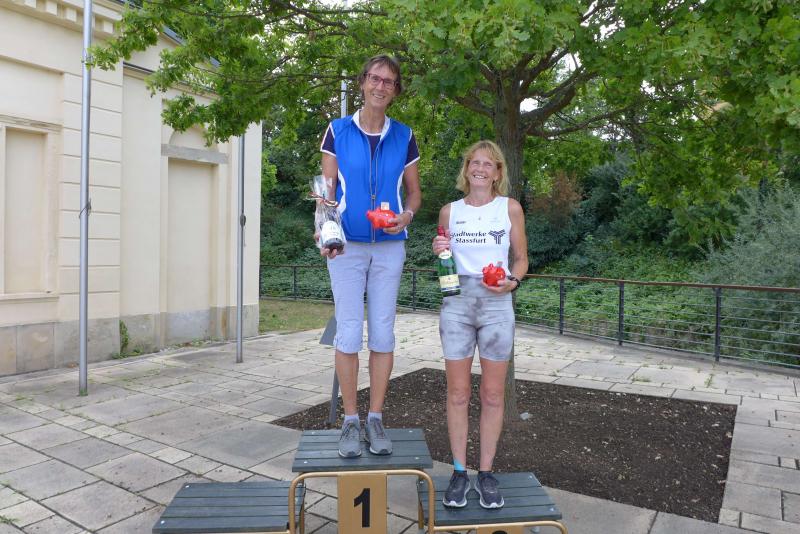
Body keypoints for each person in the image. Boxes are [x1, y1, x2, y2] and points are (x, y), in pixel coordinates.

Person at [319, 55, 422, 458]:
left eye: (389, 82)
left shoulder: (405, 135)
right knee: (347, 332)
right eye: (375, 79)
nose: (381, 86)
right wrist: (324, 229)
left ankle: (375, 418)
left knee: (382, 332)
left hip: (390, 248)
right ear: (363, 82)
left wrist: (406, 216)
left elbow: (414, 193)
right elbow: (326, 192)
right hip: (346, 246)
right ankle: (350, 421)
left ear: (395, 91)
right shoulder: (337, 131)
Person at [431, 140, 528, 509]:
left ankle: (486, 472)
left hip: (496, 304)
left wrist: (512, 281)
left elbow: (521, 259)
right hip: (457, 303)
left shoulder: (510, 208)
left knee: (492, 395)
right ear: (466, 168)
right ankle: (459, 472)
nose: (481, 169)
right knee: (458, 394)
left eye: (489, 164)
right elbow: (444, 257)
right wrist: (439, 249)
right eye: (475, 162)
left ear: (498, 172)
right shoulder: (449, 211)